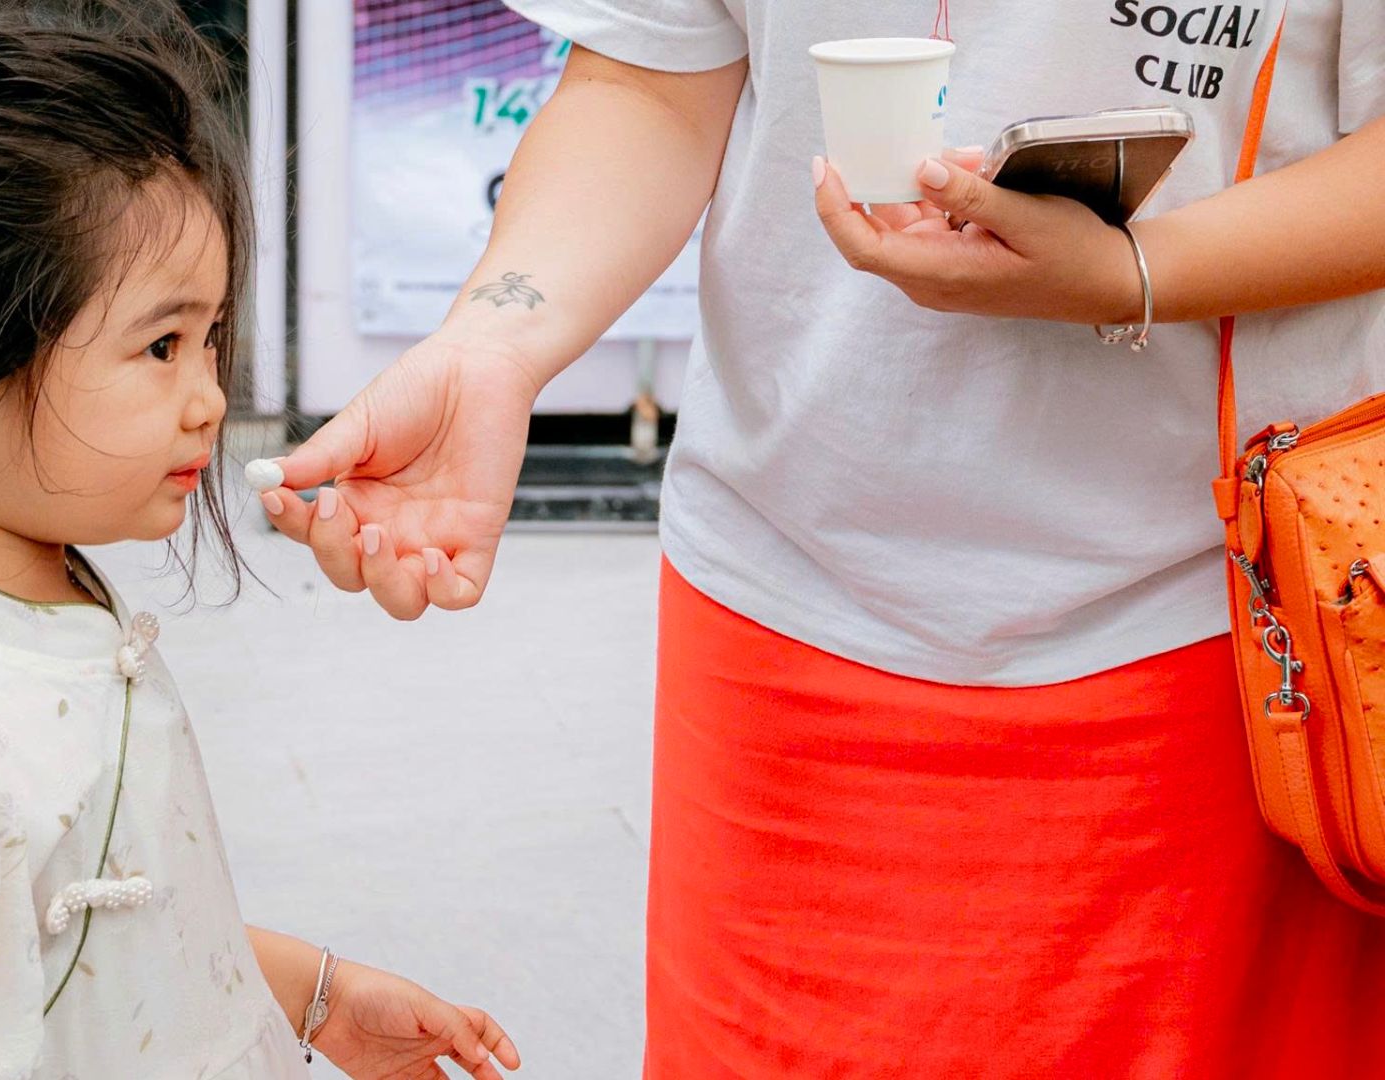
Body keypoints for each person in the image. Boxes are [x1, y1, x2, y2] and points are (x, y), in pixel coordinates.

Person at [256, 1, 1385, 1075]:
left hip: (1245, 632)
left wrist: (1140, 272)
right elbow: (653, 77)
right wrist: (492, 346)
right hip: (781, 616)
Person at [0, 9, 519, 1079]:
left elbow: (87, 941)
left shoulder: (53, 610)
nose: (208, 398)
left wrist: (313, 997)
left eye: (210, 339)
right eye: (159, 345)